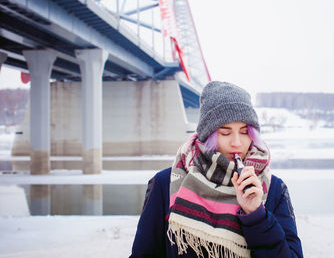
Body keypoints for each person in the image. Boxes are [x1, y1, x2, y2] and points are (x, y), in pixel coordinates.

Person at [129, 81, 303, 258]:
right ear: (207, 135)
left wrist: (257, 215)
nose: (237, 142)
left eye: (244, 132)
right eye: (225, 132)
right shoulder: (166, 183)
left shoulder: (273, 189)